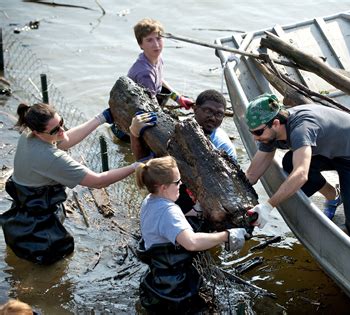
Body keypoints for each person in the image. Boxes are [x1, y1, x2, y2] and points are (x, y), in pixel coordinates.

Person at [245, 94, 350, 258]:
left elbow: (301, 174)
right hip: (330, 151)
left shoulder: (301, 129)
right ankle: (333, 196)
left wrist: (268, 206)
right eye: (252, 133)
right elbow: (253, 173)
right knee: (289, 162)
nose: (255, 138)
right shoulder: (270, 133)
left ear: (275, 123)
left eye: (258, 132)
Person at [0, 103, 138, 265]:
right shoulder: (51, 158)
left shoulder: (28, 132)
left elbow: (64, 140)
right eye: (55, 130)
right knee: (57, 263)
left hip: (21, 218)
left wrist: (101, 118)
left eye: (61, 123)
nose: (62, 130)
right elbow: (98, 181)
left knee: (25, 260)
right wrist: (136, 165)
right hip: (39, 229)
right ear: (38, 133)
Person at [135, 156, 246, 313]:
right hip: (174, 288)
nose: (181, 184)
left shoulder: (150, 200)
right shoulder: (169, 211)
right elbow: (191, 242)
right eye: (177, 182)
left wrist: (196, 211)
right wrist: (226, 235)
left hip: (157, 279)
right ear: (163, 187)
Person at [130, 89, 237, 213]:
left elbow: (228, 188)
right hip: (174, 188)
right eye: (208, 111)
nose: (213, 118)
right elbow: (144, 163)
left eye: (219, 114)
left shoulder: (223, 147)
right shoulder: (174, 131)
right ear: (195, 109)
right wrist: (134, 134)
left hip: (200, 200)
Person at [111, 18, 193, 141]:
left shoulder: (156, 57)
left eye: (159, 38)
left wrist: (178, 98)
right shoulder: (145, 74)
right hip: (128, 128)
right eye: (149, 40)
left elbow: (160, 80)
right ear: (140, 45)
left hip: (142, 109)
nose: (156, 44)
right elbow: (152, 107)